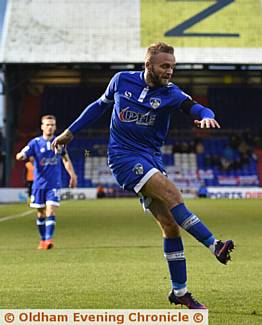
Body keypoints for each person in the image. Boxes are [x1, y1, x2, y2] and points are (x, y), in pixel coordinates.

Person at [52, 42, 234, 309]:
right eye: (164, 66)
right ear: (148, 65)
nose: (170, 71)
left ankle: (179, 292)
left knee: (171, 227)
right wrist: (71, 131)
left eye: (172, 66)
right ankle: (215, 245)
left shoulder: (172, 94)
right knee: (173, 193)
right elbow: (99, 106)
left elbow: (197, 108)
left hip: (152, 159)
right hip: (123, 157)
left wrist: (208, 116)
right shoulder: (121, 80)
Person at [16, 115, 78, 250]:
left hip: (54, 184)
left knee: (51, 211)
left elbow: (66, 160)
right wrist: (21, 155)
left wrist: (72, 175)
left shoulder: (59, 143)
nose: (50, 127)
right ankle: (43, 240)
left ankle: (49, 240)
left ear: (55, 127)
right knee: (41, 213)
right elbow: (22, 154)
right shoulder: (35, 143)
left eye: (52, 125)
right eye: (47, 124)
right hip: (38, 185)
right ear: (42, 127)